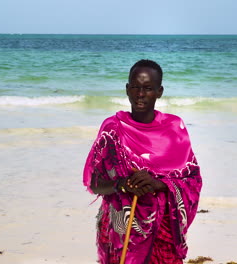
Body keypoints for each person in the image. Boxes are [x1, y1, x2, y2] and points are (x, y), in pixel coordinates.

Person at [83, 59, 202, 264]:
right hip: (121, 230)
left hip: (163, 232)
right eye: (135, 87)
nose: (140, 94)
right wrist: (121, 185)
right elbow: (94, 183)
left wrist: (158, 184)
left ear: (159, 91)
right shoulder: (112, 128)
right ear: (127, 89)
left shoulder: (175, 129)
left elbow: (193, 180)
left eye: (147, 88)